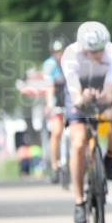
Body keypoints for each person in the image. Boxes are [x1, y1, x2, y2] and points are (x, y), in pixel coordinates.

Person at [62, 21, 112, 223]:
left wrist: (103, 98)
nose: (98, 54)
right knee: (78, 143)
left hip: (102, 88)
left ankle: (109, 157)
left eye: (101, 50)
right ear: (82, 48)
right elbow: (75, 97)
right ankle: (79, 202)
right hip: (79, 91)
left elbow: (110, 92)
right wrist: (84, 98)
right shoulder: (70, 56)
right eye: (93, 51)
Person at [42, 39, 68, 183]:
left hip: (71, 101)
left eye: (61, 51)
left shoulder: (71, 63)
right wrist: (50, 105)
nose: (59, 55)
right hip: (57, 101)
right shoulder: (49, 65)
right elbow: (49, 88)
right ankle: (55, 166)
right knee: (56, 132)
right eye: (56, 52)